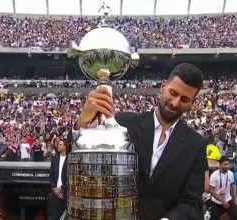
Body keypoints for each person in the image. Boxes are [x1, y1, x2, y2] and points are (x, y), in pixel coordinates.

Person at [74, 63, 208, 220]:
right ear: (163, 87)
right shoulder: (122, 124)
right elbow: (81, 171)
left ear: (192, 103)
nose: (175, 102)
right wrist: (82, 122)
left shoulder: (196, 145)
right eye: (173, 93)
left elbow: (192, 202)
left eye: (185, 99)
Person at [209, 156, 237, 220]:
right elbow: (212, 190)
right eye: (225, 164)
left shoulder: (231, 174)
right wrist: (222, 201)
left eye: (228, 164)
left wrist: (233, 199)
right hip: (216, 202)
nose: (227, 166)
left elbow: (232, 186)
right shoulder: (214, 175)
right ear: (220, 165)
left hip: (228, 200)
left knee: (234, 217)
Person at [49, 139, 67, 220]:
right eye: (58, 144)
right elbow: (51, 176)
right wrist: (55, 189)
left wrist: (61, 188)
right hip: (55, 193)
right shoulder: (55, 159)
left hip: (65, 193)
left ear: (65, 146)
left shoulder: (70, 159)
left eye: (60, 144)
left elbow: (70, 178)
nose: (58, 146)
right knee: (55, 216)